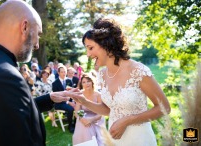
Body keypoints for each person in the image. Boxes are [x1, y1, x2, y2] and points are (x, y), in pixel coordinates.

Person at [0, 1, 76, 145]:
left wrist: (49, 98)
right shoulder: (5, 77)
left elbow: (4, 114)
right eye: (38, 34)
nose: (37, 45)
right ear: (24, 27)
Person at [66, 18, 171, 146]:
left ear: (106, 44)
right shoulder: (103, 75)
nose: (88, 54)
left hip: (139, 140)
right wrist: (83, 101)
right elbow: (109, 110)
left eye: (91, 48)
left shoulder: (138, 71)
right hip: (114, 140)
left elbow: (164, 107)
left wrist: (128, 120)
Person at [73, 74, 105, 146]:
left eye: (88, 81)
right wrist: (82, 119)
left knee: (89, 127)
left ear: (92, 82)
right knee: (81, 124)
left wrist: (91, 120)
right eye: (83, 82)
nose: (86, 84)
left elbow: (101, 113)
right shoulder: (80, 94)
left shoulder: (98, 95)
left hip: (96, 118)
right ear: (81, 84)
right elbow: (76, 112)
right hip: (84, 117)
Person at [52, 65, 75, 133]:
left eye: (65, 71)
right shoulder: (55, 83)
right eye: (62, 72)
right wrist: (68, 102)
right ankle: (70, 126)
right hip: (59, 103)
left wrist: (73, 101)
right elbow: (57, 97)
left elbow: (72, 92)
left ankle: (75, 123)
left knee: (79, 105)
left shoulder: (69, 81)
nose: (64, 73)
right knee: (70, 109)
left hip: (69, 100)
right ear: (58, 73)